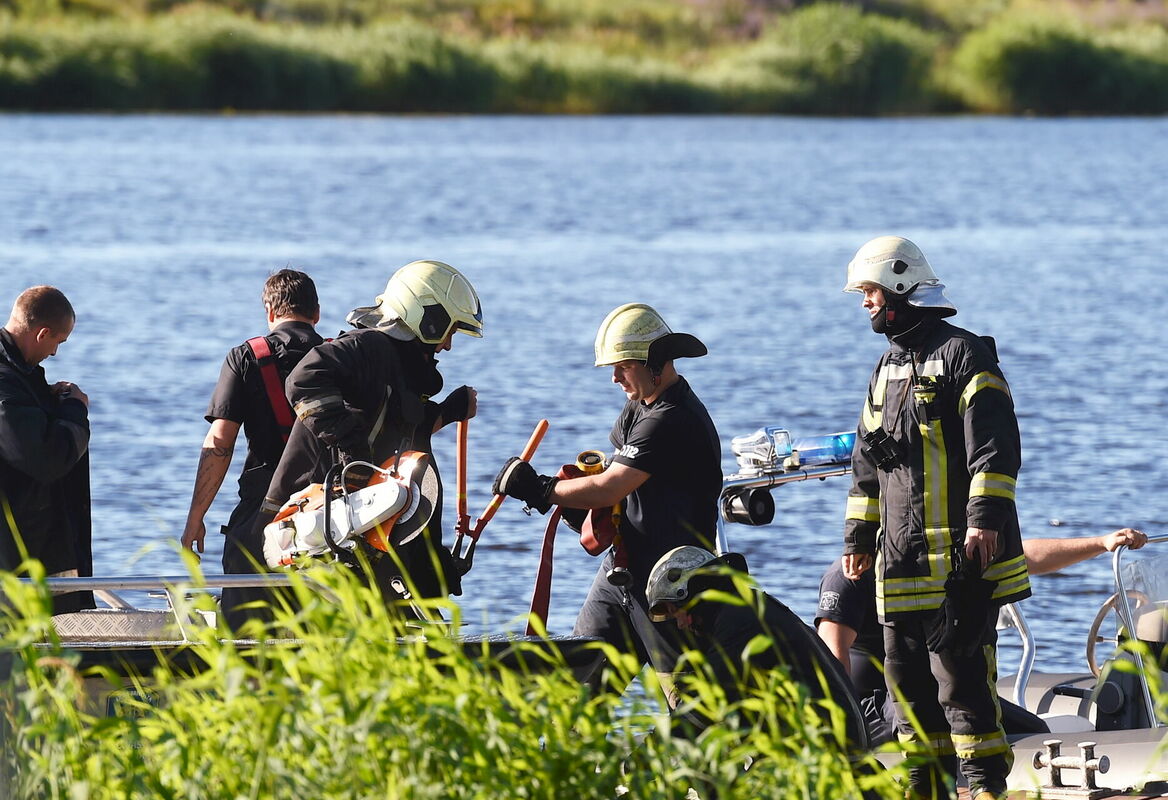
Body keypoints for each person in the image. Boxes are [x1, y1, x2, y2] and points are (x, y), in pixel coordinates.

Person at [840, 236, 1030, 800]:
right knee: (908, 698)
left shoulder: (965, 354)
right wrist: (858, 537)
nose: (864, 303)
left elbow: (993, 450)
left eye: (870, 291)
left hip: (961, 568)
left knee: (965, 691)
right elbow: (866, 462)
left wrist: (984, 522)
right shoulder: (887, 365)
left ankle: (983, 790)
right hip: (900, 565)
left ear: (900, 287)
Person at [492, 303, 721, 696]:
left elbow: (611, 486)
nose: (615, 377)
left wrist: (542, 490)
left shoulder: (671, 417)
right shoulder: (640, 406)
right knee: (576, 691)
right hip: (622, 575)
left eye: (624, 366)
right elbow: (613, 478)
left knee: (691, 705)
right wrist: (577, 506)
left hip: (670, 586)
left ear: (657, 363)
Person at [247, 260, 481, 613]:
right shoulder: (367, 347)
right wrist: (351, 454)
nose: (447, 345)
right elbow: (304, 379)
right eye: (448, 330)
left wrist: (447, 411)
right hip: (300, 530)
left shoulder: (399, 367)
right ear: (426, 317)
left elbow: (397, 456)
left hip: (348, 538)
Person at [817, 528, 1148, 743]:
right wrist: (846, 732)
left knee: (1034, 731)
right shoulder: (849, 575)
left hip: (939, 686)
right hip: (874, 704)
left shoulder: (934, 556)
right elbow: (833, 656)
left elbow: (1024, 556)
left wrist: (1101, 544)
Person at [180, 269, 323, 624]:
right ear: (316, 313)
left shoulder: (246, 357)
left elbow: (219, 443)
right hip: (329, 515)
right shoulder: (341, 355)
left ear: (270, 313)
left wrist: (195, 518)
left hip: (262, 515)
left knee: (246, 631)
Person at [647, 545, 869, 751]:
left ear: (697, 591)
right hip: (834, 740)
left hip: (832, 753)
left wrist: (644, 757)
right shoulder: (748, 608)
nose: (681, 624)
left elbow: (702, 707)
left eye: (678, 611)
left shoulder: (737, 623)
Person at [0, 286, 93, 614]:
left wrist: (48, 400)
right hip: (14, 554)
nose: (55, 353)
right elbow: (46, 458)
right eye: (58, 342)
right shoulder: (5, 382)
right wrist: (75, 411)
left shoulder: (20, 374)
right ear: (42, 333)